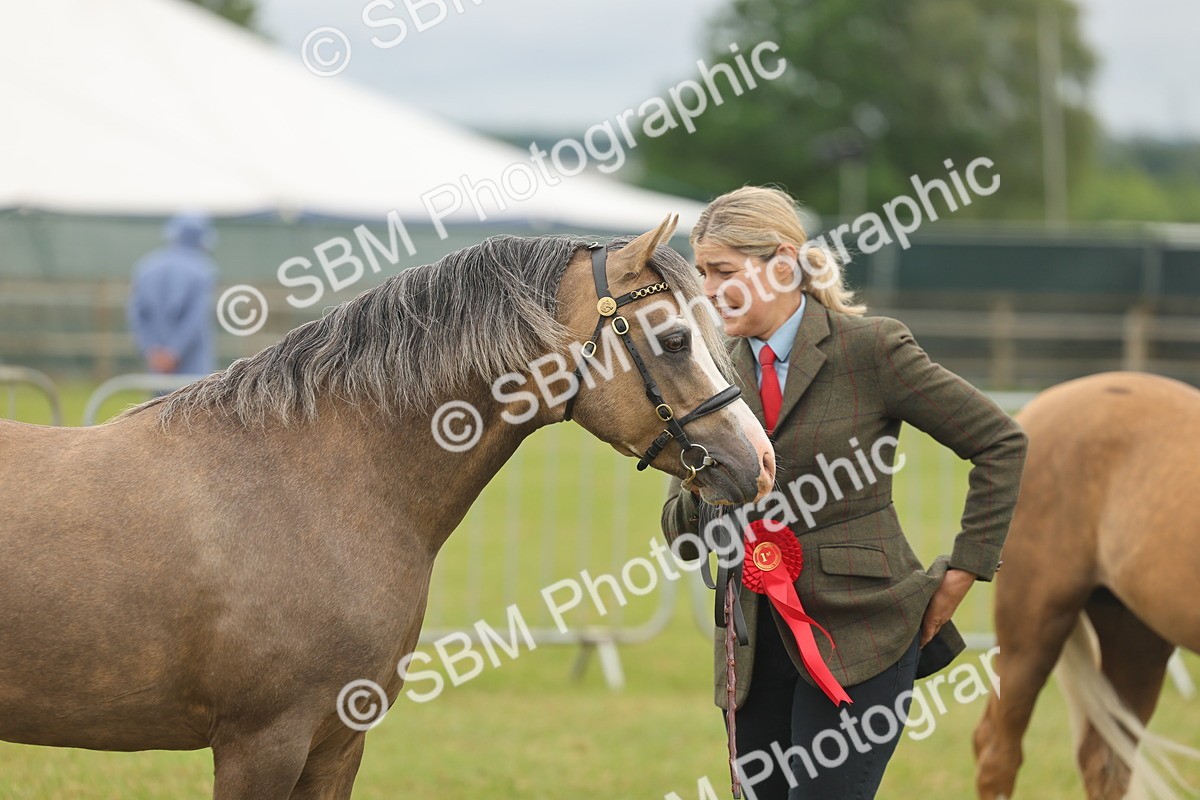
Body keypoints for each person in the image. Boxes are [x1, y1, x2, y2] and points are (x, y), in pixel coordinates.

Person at [660, 186, 1027, 799]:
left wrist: (965, 569)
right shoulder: (708, 375)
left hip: (865, 635)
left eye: (721, 270)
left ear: (781, 262)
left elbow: (1000, 443)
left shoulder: (872, 350)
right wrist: (709, 482)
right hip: (752, 647)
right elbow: (682, 534)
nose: (705, 290)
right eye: (700, 272)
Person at [127, 212, 218, 376]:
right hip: (192, 368)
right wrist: (174, 352)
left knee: (159, 401)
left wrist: (152, 351)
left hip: (157, 366)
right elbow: (196, 318)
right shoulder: (203, 270)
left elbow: (137, 315)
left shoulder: (145, 267)